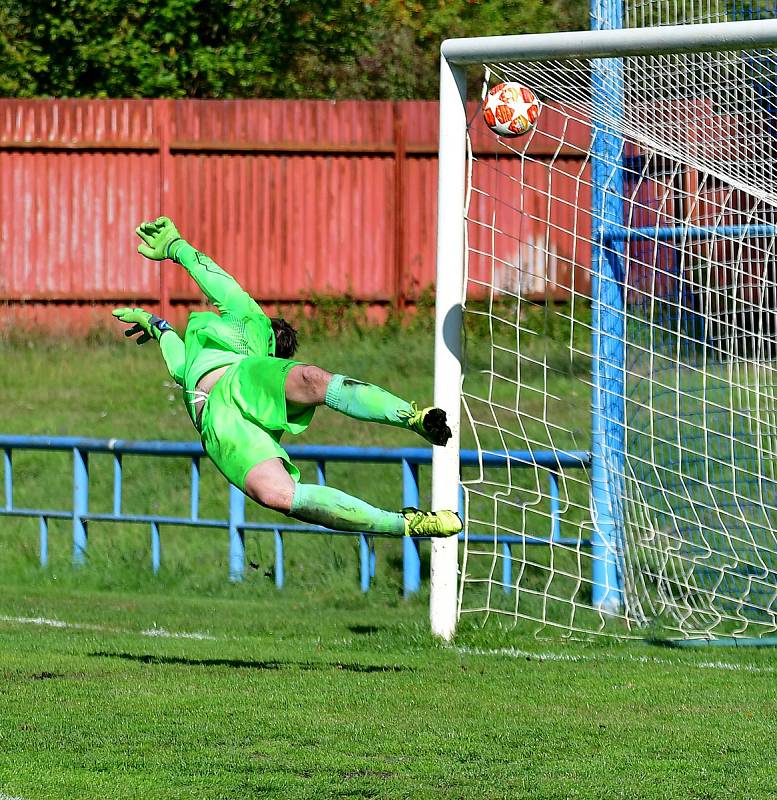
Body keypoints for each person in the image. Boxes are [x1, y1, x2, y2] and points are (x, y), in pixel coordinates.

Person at [112, 216, 462, 538]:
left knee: (312, 380)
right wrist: (158, 316)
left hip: (242, 383)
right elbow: (212, 294)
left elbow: (190, 325)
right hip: (221, 426)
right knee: (278, 495)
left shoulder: (251, 342)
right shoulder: (247, 319)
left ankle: (414, 417)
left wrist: (173, 265)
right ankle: (406, 523)